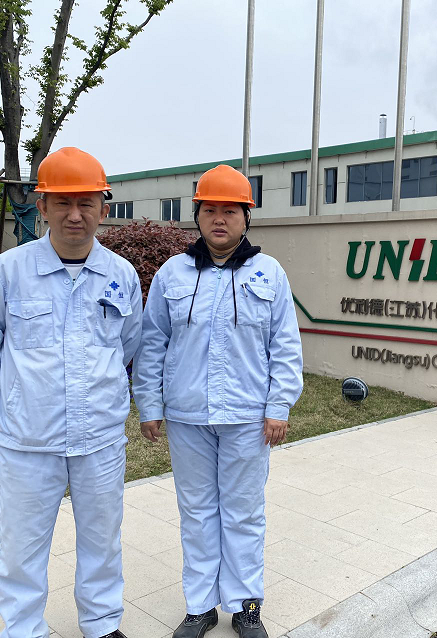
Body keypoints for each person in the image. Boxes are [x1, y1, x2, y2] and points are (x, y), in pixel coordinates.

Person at [0, 147, 142, 638]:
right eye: (62, 202)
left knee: (102, 540)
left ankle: (101, 623)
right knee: (21, 545)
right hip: (29, 440)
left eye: (86, 203)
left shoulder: (121, 275)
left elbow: (128, 344)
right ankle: (24, 629)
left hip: (100, 438)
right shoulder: (7, 272)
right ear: (42, 206)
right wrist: (22, 392)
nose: (74, 214)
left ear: (104, 207)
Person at [133, 164, 303, 638]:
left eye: (230, 210)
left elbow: (285, 346)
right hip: (187, 416)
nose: (219, 219)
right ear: (198, 216)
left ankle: (246, 606)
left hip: (248, 417)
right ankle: (201, 605)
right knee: (197, 512)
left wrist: (278, 406)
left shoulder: (269, 273)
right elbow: (152, 343)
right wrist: (150, 404)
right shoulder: (173, 273)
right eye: (210, 210)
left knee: (244, 512)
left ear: (247, 217)